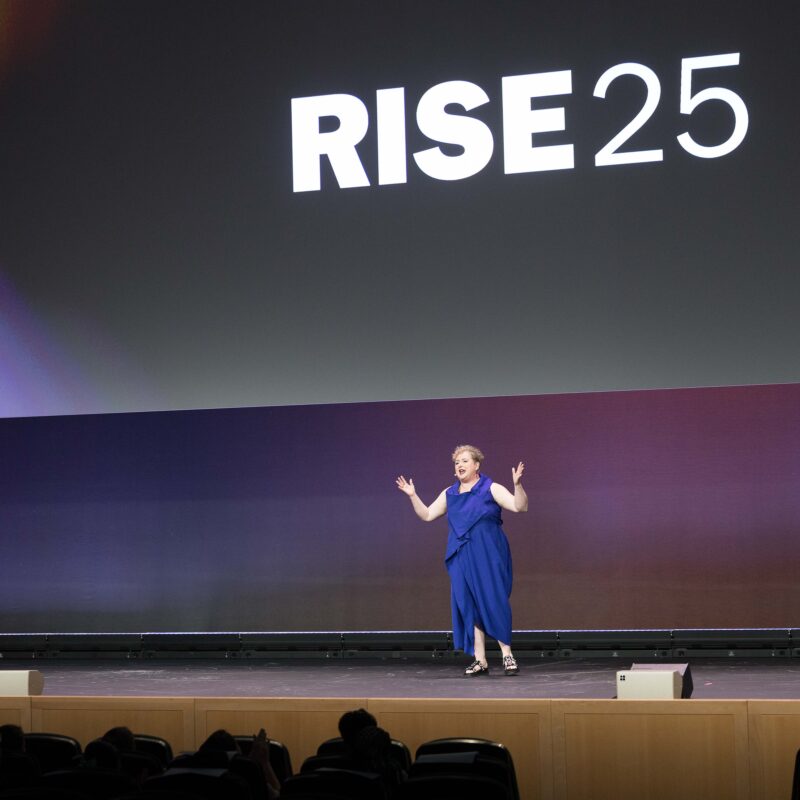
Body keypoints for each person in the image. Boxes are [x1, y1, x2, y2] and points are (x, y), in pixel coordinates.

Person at [396, 444, 527, 676]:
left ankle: (507, 656)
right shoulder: (450, 493)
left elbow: (519, 507)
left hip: (488, 553)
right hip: (461, 555)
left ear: (476, 465)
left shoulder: (491, 488)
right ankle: (480, 660)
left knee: (493, 599)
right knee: (468, 605)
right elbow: (427, 515)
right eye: (457, 462)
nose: (460, 465)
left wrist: (517, 486)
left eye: (465, 461)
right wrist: (413, 495)